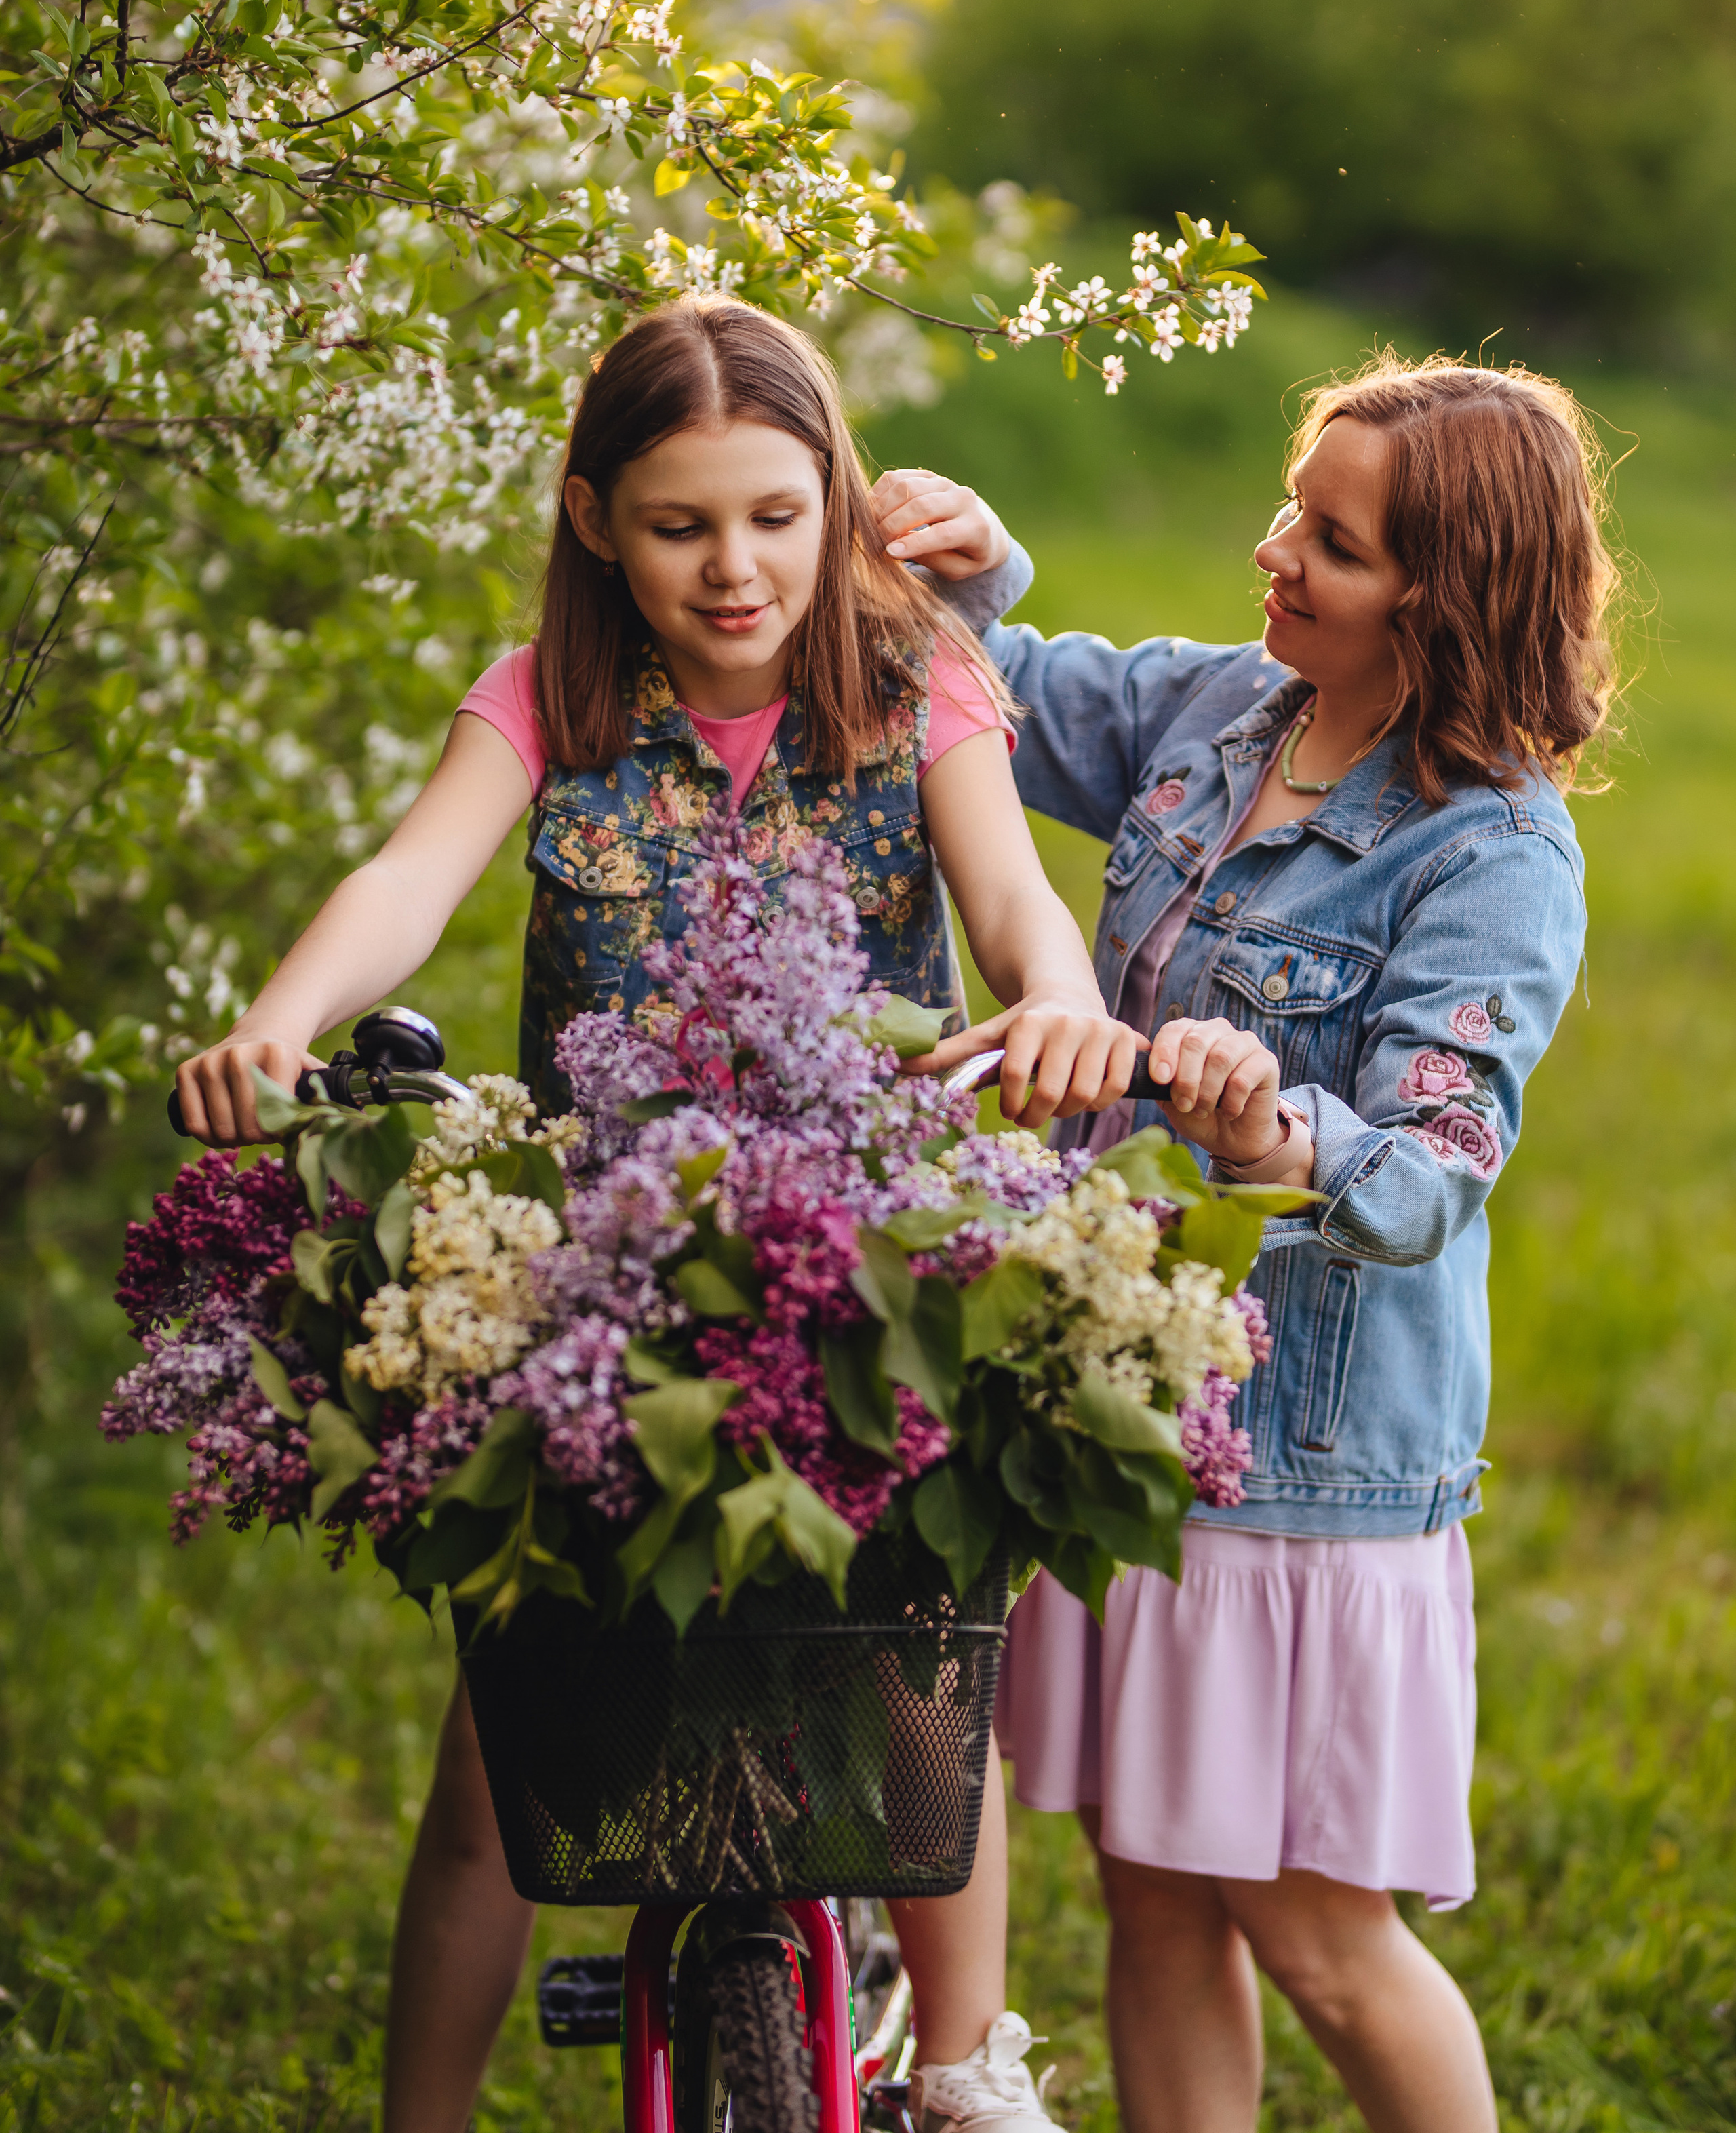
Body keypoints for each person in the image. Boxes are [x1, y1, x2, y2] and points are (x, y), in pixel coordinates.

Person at [174, 297, 1147, 2133]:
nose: (735, 569)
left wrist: (1060, 1001)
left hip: (862, 1249)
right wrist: (278, 1019)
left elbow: (1016, 904)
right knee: (505, 1753)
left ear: (834, 500)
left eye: (777, 517)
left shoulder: (913, 674)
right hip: (605, 1267)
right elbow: (410, 871)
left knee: (919, 1656)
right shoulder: (554, 697)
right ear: (594, 516)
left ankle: (964, 2070)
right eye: (682, 522)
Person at [877, 359, 1620, 2133]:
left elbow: (1436, 1167)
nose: (1274, 548)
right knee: (1153, 1886)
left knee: (1314, 1934)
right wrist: (971, 573)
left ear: (1440, 601)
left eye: (1334, 541)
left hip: (1300, 1479)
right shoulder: (1229, 711)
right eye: (1295, 500)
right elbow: (1022, 702)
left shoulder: (1492, 855)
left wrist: (1269, 1122)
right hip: (1130, 1423)